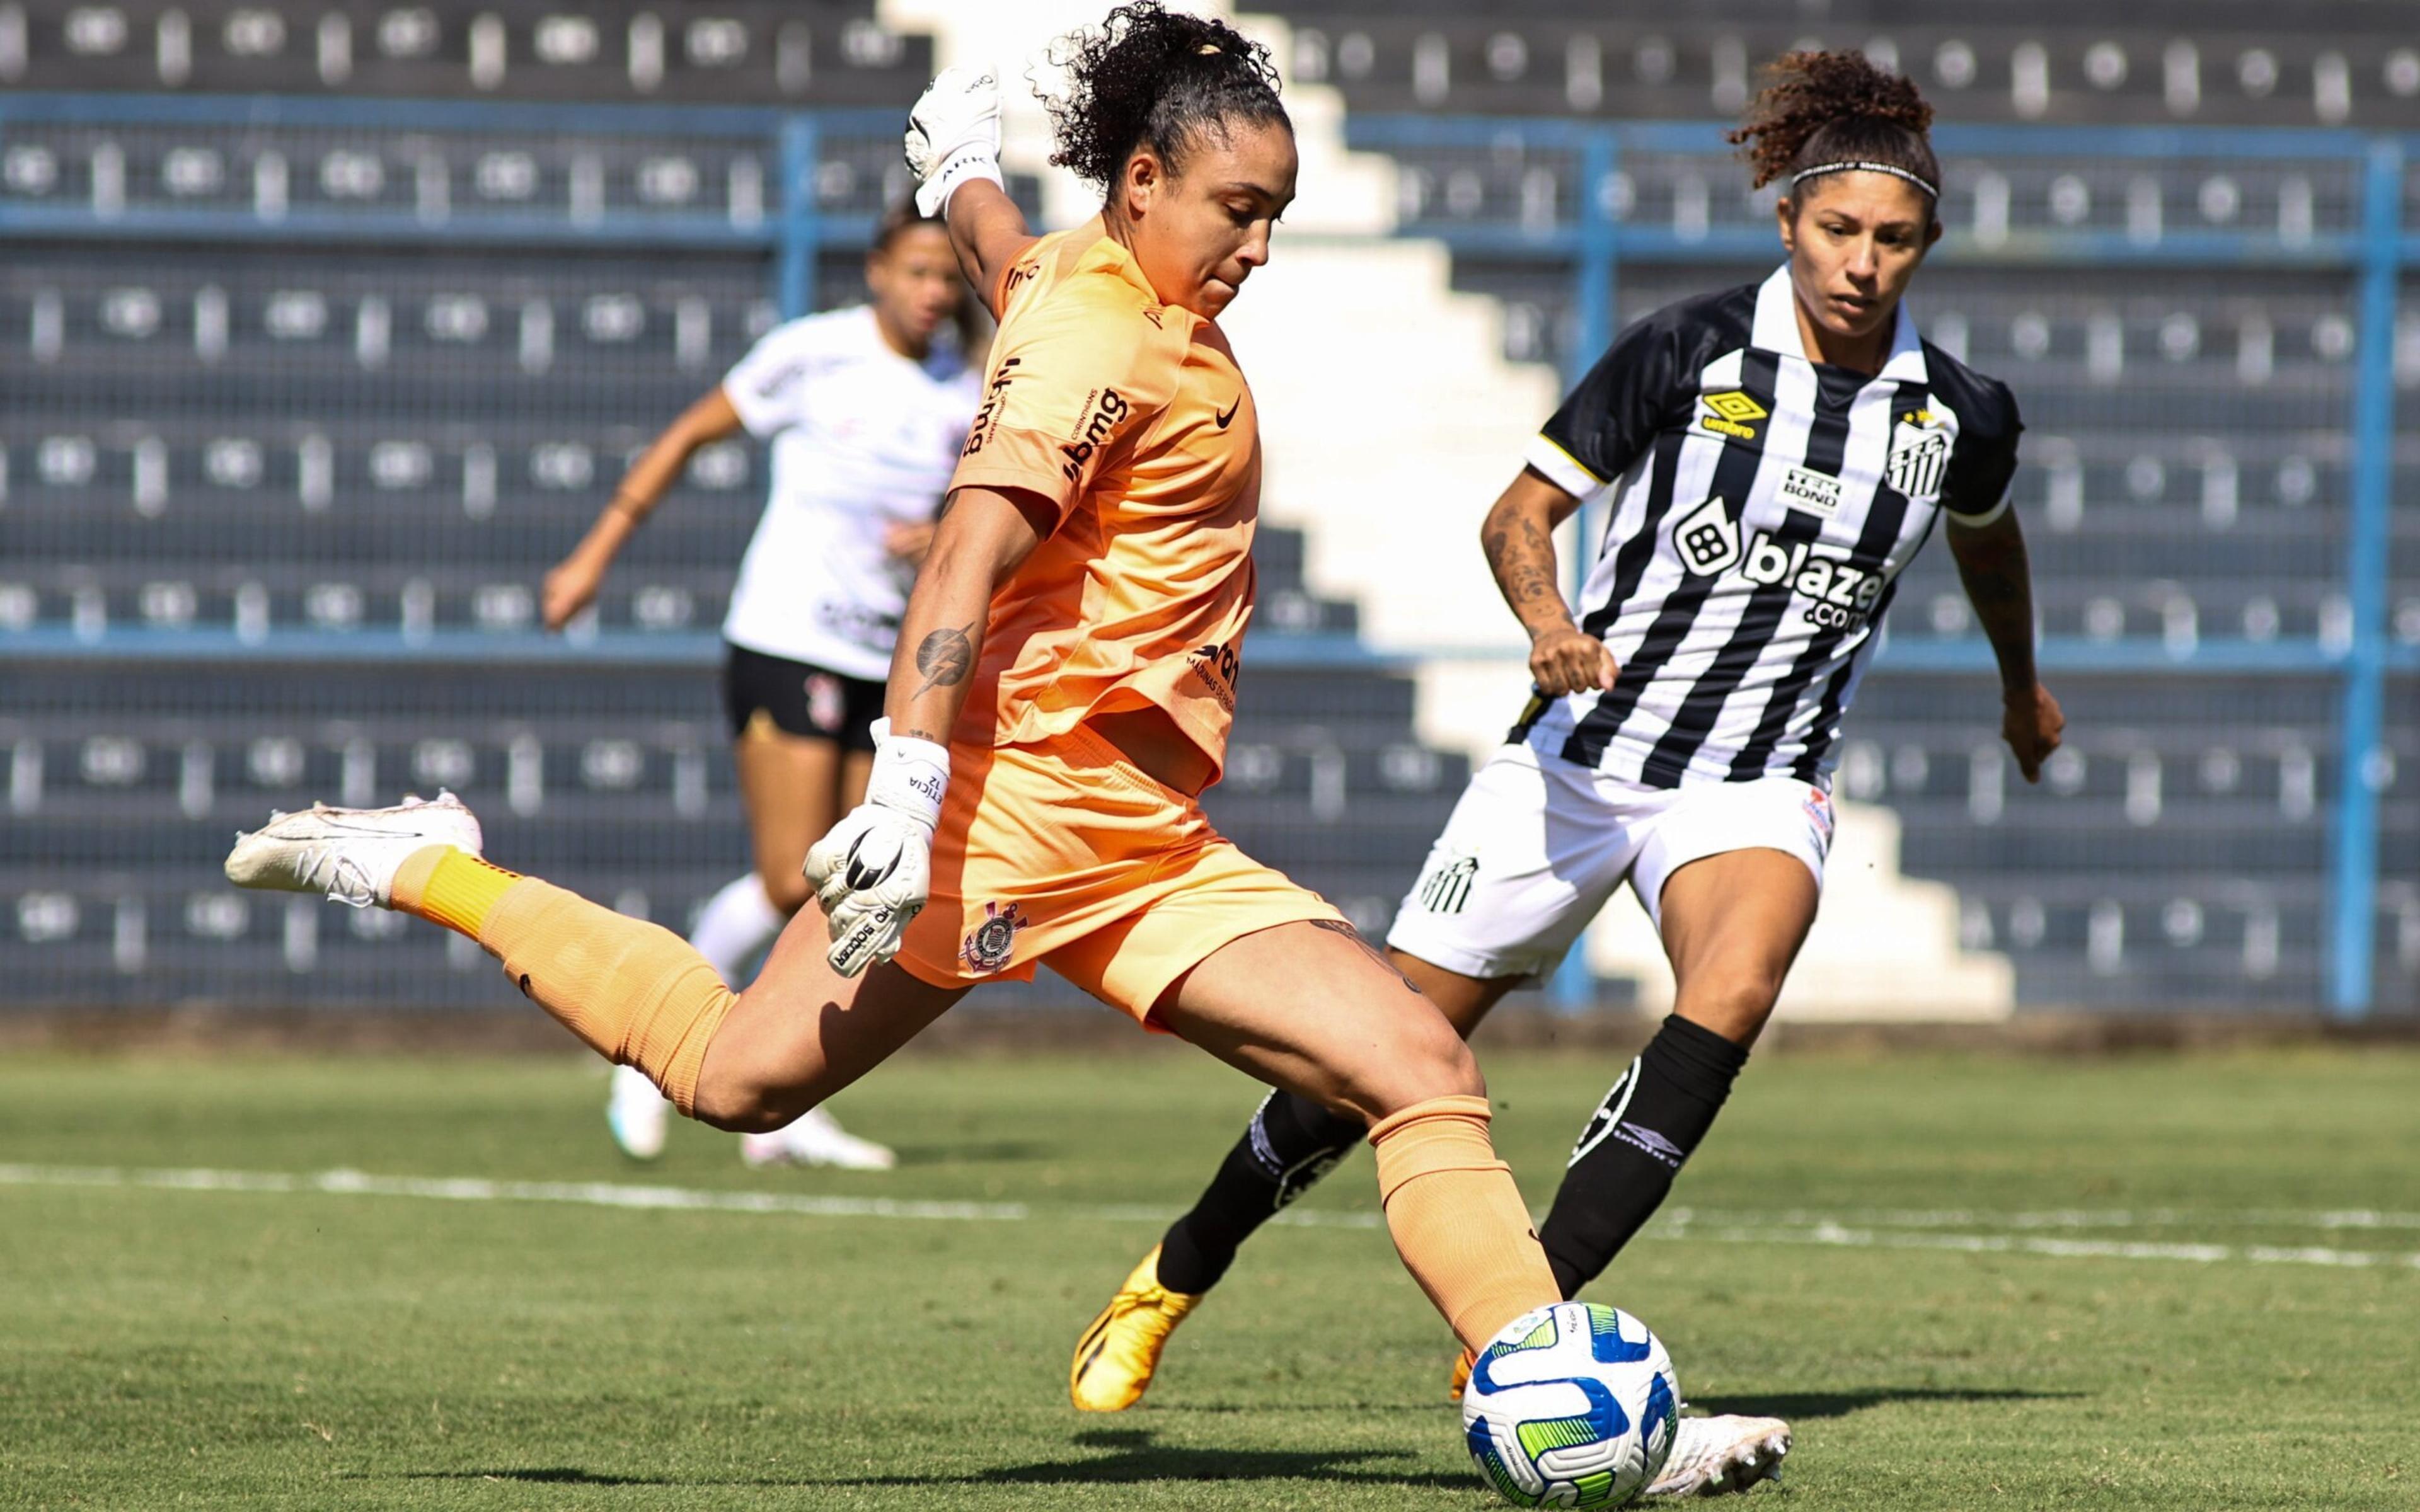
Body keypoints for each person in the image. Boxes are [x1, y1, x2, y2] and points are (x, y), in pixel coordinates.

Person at [224, 1, 1589, 1470]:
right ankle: (435, 866)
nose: (1259, 247)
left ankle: (1552, 1394)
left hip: (1143, 843)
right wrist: (912, 779)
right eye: (1239, 211)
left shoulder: (1098, 282)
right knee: (736, 1079)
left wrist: (962, 182)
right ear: (1144, 182)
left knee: (1416, 1067)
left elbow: (1020, 270)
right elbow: (960, 560)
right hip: (1008, 810)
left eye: (1277, 218)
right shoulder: (1096, 336)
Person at [1068, 48, 2060, 1495]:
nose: (1860, 263)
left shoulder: (1960, 412)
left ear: (1928, 246)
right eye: (1836, 230)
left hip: (1758, 778)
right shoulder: (1687, 351)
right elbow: (1519, 515)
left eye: (1891, 239)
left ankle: (1517, 1337)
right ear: (1788, 222)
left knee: (1733, 987)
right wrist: (1549, 623)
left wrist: (2019, 686)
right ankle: (1180, 1266)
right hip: (1584, 761)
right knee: (1377, 1060)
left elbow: (1988, 538)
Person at [538, 200, 981, 1171]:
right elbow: (690, 435)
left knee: (857, 879)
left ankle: (791, 1101)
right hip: (786, 638)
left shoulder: (970, 385)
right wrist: (593, 556)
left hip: (887, 660)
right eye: (916, 271)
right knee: (794, 879)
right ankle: (646, 1052)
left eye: (948, 277)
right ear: (876, 270)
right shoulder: (813, 355)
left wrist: (940, 532)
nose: (933, 293)